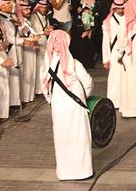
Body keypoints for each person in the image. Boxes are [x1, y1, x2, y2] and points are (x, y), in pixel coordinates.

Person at [42, 30, 93, 181]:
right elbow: (88, 83)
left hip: (58, 109)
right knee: (80, 137)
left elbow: (45, 90)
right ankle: (82, 171)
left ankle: (65, 172)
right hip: (76, 107)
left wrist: (54, 102)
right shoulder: (75, 64)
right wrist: (83, 98)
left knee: (62, 139)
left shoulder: (46, 68)